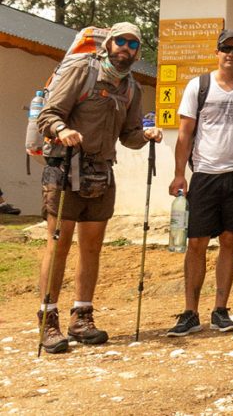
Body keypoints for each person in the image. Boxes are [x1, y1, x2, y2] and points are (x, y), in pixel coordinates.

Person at [35, 22, 162, 353]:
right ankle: (48, 321)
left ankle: (82, 317)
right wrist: (61, 129)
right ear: (108, 44)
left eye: (133, 45)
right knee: (58, 245)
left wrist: (146, 135)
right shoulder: (81, 70)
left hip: (101, 172)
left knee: (92, 247)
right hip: (65, 170)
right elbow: (48, 115)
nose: (126, 49)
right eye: (120, 41)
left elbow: (129, 135)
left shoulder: (131, 87)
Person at [166, 29, 233, 337]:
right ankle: (190, 311)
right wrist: (180, 173)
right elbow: (184, 133)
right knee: (196, 243)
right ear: (216, 52)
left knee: (230, 241)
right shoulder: (199, 86)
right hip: (204, 174)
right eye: (225, 48)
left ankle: (221, 309)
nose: (230, 53)